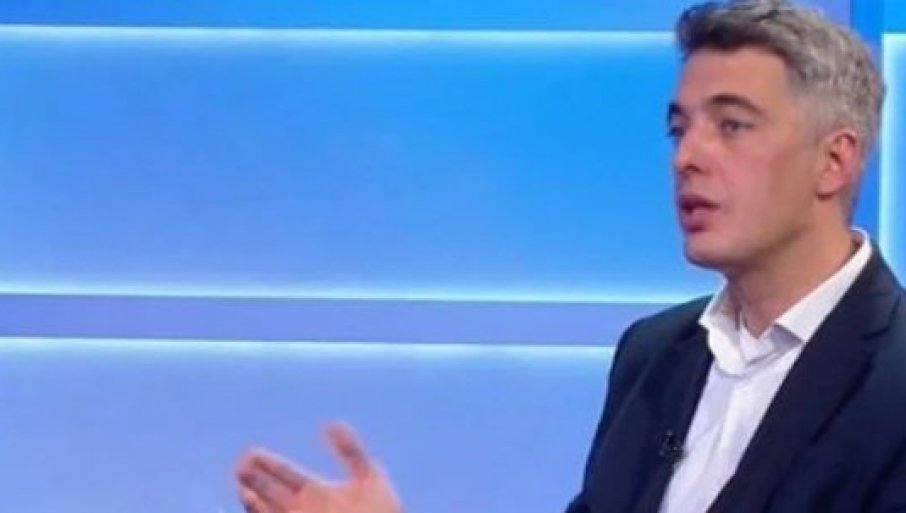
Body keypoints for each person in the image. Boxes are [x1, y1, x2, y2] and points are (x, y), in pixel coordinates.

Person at [235, 1, 906, 511]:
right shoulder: (654, 355)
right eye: (679, 128)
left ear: (834, 160)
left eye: (731, 126)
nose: (688, 156)